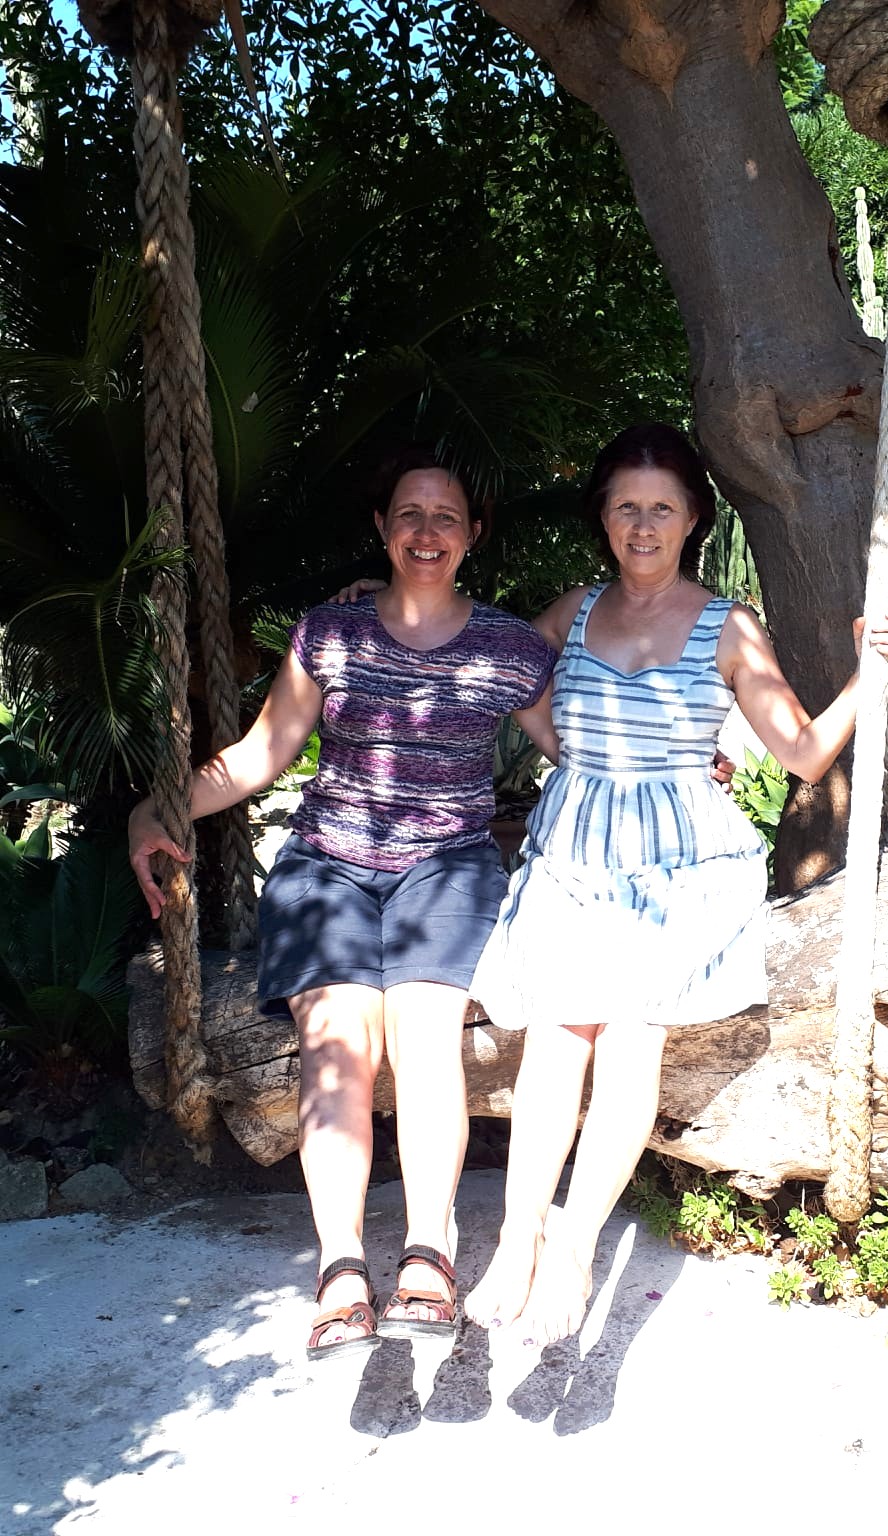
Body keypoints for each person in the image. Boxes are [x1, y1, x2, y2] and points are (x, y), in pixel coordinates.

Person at [453, 423, 888, 1349]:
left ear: (693, 517)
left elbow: (804, 752)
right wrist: (564, 748)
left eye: (662, 507)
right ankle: (517, 1237)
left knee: (628, 1040)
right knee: (557, 1039)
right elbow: (496, 665)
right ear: (603, 516)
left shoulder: (727, 626)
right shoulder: (575, 611)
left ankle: (574, 1247)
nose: (643, 525)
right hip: (575, 852)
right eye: (626, 506)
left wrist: (873, 674)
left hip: (680, 869)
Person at [128, 448, 558, 1364]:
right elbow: (261, 753)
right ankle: (342, 1274)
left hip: (448, 869)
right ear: (381, 527)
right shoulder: (330, 634)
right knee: (335, 1049)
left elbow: (580, 748)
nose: (427, 532)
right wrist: (157, 809)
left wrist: (693, 766)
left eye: (446, 517)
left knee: (424, 1035)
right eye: (409, 514)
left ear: (473, 534)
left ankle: (429, 1260)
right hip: (328, 870)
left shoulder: (510, 647)